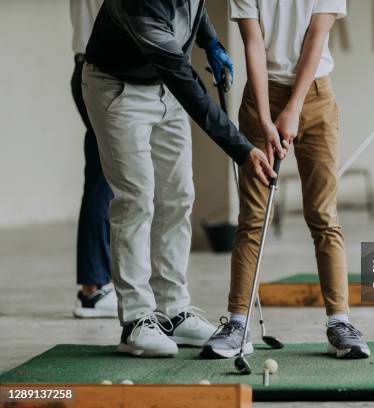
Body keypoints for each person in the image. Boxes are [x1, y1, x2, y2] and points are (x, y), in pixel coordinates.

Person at [82, 0, 279, 358]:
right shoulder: (139, 7)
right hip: (118, 89)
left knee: (179, 195)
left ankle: (173, 309)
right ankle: (137, 321)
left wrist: (211, 43)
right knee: (136, 199)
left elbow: (193, 8)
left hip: (165, 86)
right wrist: (242, 150)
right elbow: (186, 84)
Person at [201, 0, 370, 360]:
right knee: (253, 219)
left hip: (316, 99)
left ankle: (339, 323)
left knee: (323, 215)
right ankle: (237, 323)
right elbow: (253, 45)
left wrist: (292, 110)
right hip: (261, 97)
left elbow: (315, 37)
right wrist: (265, 118)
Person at [70, 0, 117, 319]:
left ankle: (97, 282)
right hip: (103, 72)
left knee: (104, 176)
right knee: (104, 179)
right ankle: (94, 287)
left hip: (89, 68)